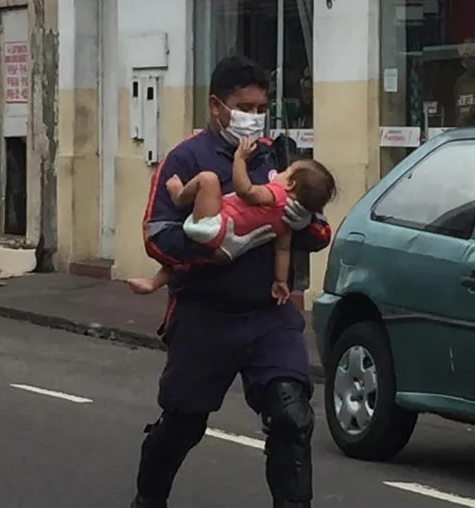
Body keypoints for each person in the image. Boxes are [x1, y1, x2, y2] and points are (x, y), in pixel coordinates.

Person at [130, 55, 332, 508]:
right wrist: (213, 249)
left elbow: (319, 232)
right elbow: (156, 235)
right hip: (205, 314)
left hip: (269, 313)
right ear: (216, 106)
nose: (253, 118)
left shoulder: (279, 156)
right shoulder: (185, 159)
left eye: (261, 108)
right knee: (183, 423)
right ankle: (148, 500)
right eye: (245, 107)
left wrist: (303, 222)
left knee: (292, 416)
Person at [126, 137, 336, 305]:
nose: (279, 173)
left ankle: (178, 194)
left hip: (213, 227)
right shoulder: (286, 222)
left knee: (208, 179)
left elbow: (245, 190)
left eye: (285, 172)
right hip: (225, 251)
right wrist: (280, 281)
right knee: (184, 263)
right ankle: (154, 282)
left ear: (290, 185)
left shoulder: (276, 195)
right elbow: (283, 251)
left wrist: (239, 159)